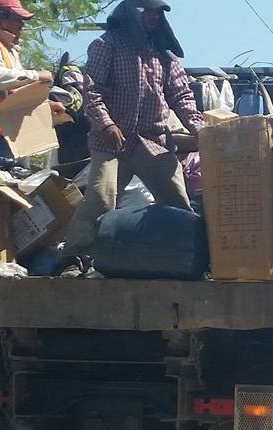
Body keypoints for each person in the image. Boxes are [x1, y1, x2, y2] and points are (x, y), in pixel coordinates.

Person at [58, 0, 203, 277]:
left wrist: (199, 129)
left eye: (158, 12)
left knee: (178, 205)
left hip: (152, 141)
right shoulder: (106, 44)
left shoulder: (164, 55)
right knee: (100, 197)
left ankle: (189, 261)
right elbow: (92, 92)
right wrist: (107, 124)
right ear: (130, 13)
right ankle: (72, 257)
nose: (153, 17)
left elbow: (181, 96)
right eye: (147, 11)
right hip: (111, 142)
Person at [0, 0, 65, 160]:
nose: (22, 25)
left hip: (8, 135)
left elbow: (16, 94)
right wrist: (37, 75)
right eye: (17, 19)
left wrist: (46, 106)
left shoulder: (7, 50)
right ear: (2, 18)